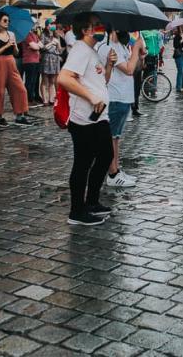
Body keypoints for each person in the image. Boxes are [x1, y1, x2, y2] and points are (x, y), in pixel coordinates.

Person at [58, 13, 114, 226]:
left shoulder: (92, 51)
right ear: (86, 30)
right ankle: (76, 211)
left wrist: (108, 65)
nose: (101, 27)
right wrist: (90, 97)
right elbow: (63, 78)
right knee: (83, 163)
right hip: (84, 117)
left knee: (105, 155)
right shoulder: (80, 49)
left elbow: (101, 81)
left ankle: (91, 201)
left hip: (99, 116)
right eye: (96, 25)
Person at [97, 28, 143, 187]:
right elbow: (128, 70)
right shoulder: (108, 46)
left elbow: (134, 67)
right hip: (115, 97)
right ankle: (112, 173)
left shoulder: (120, 45)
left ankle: (116, 169)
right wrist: (136, 48)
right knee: (111, 137)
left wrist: (139, 55)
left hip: (124, 97)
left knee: (116, 137)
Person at [0, 13, 32, 127]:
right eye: (5, 20)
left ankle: (19, 115)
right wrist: (6, 46)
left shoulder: (11, 34)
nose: (8, 23)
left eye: (8, 21)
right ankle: (0, 117)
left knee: (20, 88)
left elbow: (16, 53)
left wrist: (15, 46)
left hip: (11, 62)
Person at [40, 20, 64, 105]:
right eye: (51, 24)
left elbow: (60, 51)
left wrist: (58, 45)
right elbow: (41, 48)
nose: (53, 25)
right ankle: (45, 100)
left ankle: (51, 99)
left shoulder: (56, 35)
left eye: (54, 24)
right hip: (46, 58)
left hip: (55, 58)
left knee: (52, 81)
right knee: (45, 80)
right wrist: (51, 43)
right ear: (47, 26)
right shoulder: (43, 35)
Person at [20, 25, 43, 106]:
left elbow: (40, 45)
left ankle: (32, 98)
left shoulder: (34, 34)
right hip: (29, 61)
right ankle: (28, 100)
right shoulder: (26, 34)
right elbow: (35, 46)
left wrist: (36, 46)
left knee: (34, 81)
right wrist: (36, 46)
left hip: (36, 60)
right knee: (29, 81)